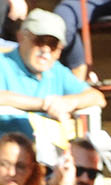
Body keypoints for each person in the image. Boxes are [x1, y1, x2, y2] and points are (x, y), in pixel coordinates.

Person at [0, 11, 104, 141]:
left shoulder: (56, 70)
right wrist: (45, 104)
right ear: (21, 37)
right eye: (40, 41)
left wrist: (68, 102)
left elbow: (97, 97)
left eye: (53, 45)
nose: (46, 51)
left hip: (50, 154)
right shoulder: (3, 63)